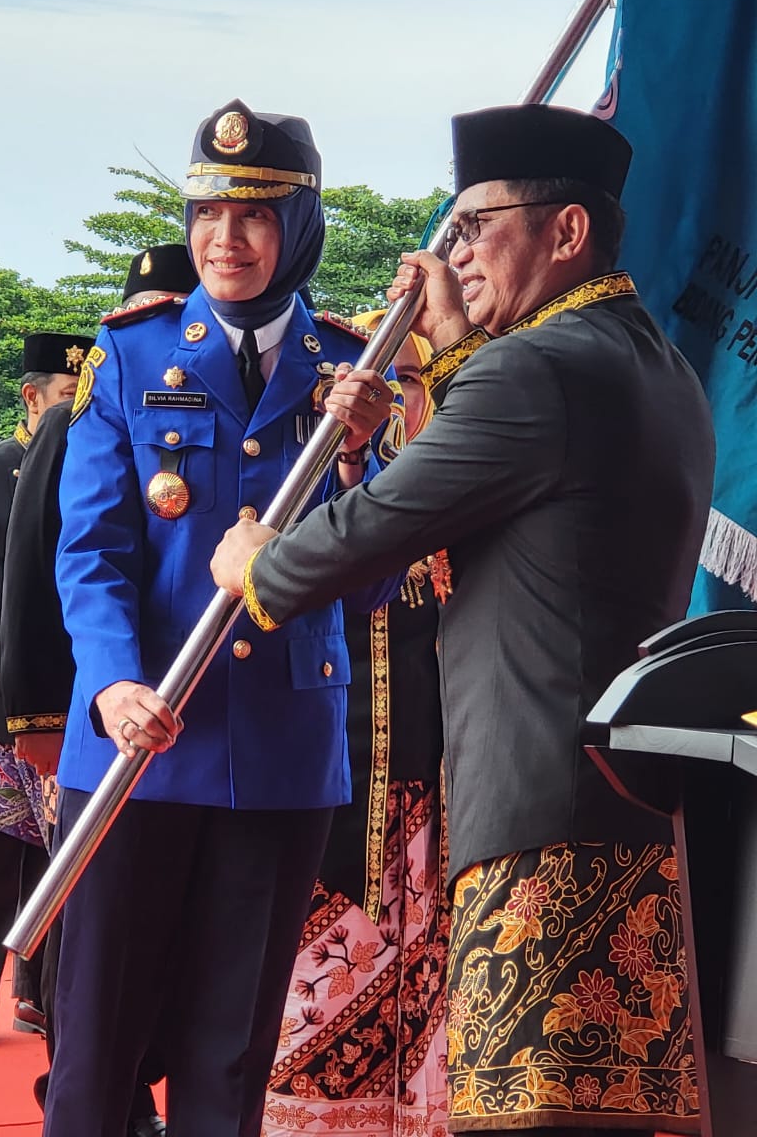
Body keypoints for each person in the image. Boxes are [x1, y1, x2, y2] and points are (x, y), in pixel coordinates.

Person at [211, 104, 716, 1137]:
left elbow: (372, 526)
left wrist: (261, 563)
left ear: (565, 232)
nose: (456, 253)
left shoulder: (538, 370)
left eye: (476, 224)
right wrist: (450, 354)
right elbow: (508, 487)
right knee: (604, 1117)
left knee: (531, 1119)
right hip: (626, 808)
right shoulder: (652, 363)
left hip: (538, 821)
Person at [43, 99, 395, 1137]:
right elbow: (93, 548)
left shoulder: (350, 374)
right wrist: (110, 680)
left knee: (230, 1052)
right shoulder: (134, 357)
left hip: (278, 753)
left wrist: (359, 456)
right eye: (206, 212)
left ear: (303, 225)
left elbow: (368, 585)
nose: (224, 239)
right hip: (133, 741)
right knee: (96, 1047)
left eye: (254, 215)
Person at [1, 243, 199, 1133]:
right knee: (91, 938)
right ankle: (96, 1093)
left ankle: (137, 1091)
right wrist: (41, 716)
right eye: (149, 305)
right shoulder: (86, 408)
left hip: (189, 726)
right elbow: (43, 575)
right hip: (94, 713)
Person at [263, 311, 450, 1137]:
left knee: (435, 995)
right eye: (386, 385)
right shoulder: (314, 481)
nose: (400, 403)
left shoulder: (466, 479)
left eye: (415, 383)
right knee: (316, 986)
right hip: (326, 779)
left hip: (437, 791)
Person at [0, 330, 92, 1047]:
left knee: (58, 858)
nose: (79, 410)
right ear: (32, 399)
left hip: (73, 700)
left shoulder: (99, 466)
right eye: (68, 398)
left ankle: (41, 997)